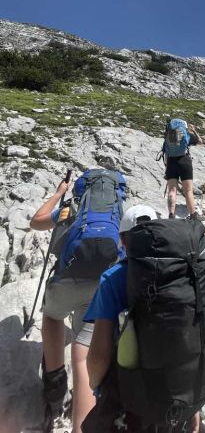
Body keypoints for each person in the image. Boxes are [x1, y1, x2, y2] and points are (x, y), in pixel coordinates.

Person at [83, 205, 205, 433]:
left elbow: (99, 355)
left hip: (129, 400)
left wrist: (95, 386)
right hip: (177, 400)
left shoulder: (113, 279)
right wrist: (193, 405)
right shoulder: (183, 276)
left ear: (123, 240)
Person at [30, 179, 97, 433]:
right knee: (83, 356)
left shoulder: (72, 208)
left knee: (53, 317)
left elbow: (36, 221)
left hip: (67, 280)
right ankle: (83, 426)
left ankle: (54, 392)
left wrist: (59, 192)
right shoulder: (114, 213)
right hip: (99, 285)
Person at [162, 116, 201, 219]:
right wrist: (193, 130)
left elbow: (165, 153)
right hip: (184, 161)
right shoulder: (187, 135)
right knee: (188, 190)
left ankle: (171, 214)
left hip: (171, 162)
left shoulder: (167, 137)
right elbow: (200, 141)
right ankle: (193, 215)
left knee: (172, 190)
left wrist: (167, 168)